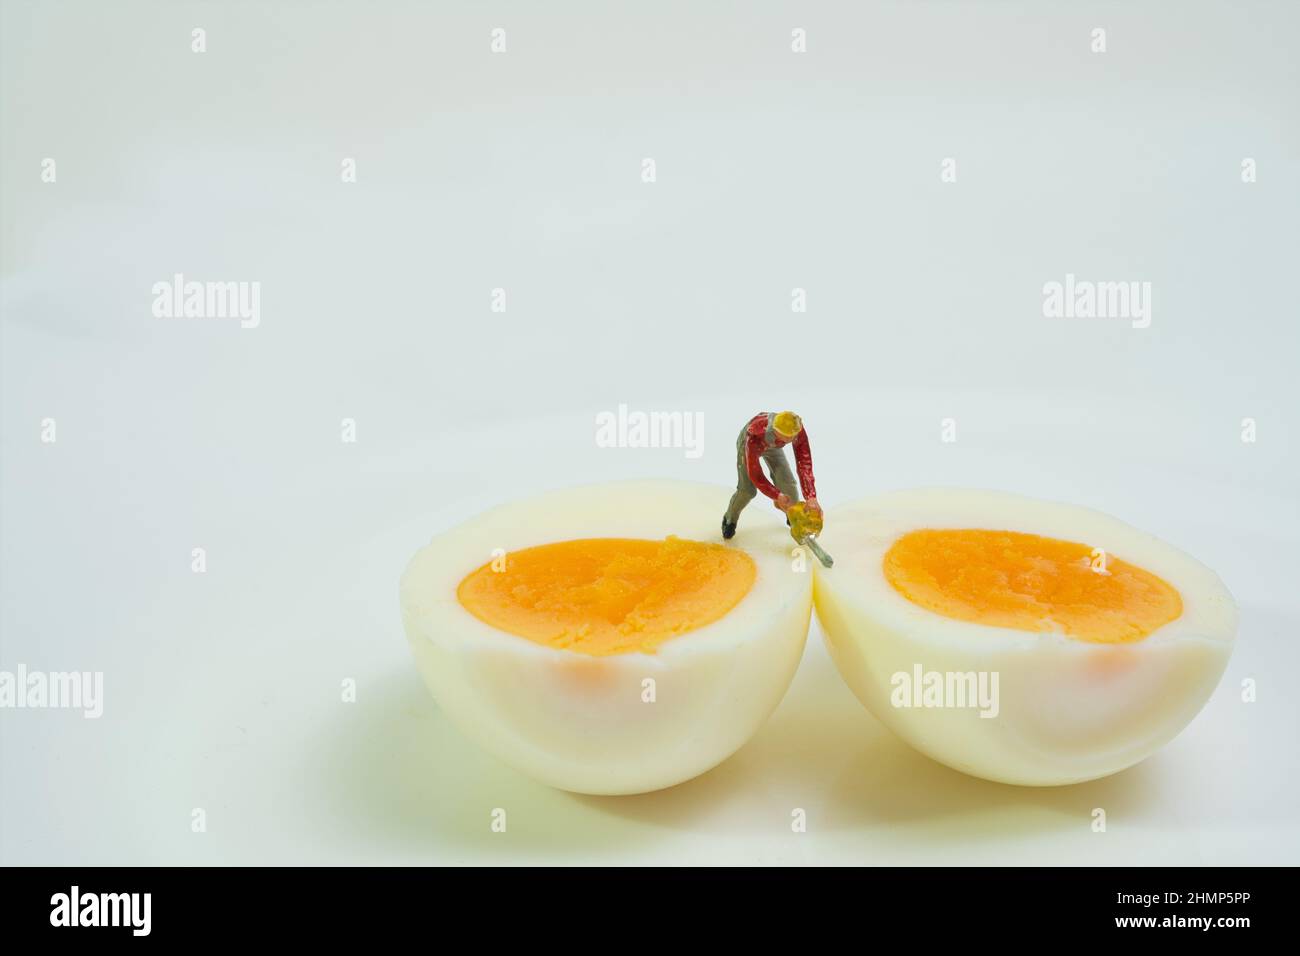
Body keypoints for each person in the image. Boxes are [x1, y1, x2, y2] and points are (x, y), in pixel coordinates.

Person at [722, 411, 821, 539]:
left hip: (773, 445)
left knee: (788, 483)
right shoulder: (754, 436)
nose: (792, 440)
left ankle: (795, 519)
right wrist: (776, 495)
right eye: (788, 437)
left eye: (793, 436)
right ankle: (730, 519)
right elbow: (755, 474)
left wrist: (811, 496)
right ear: (775, 430)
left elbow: (804, 464)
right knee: (747, 491)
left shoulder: (797, 429)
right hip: (750, 444)